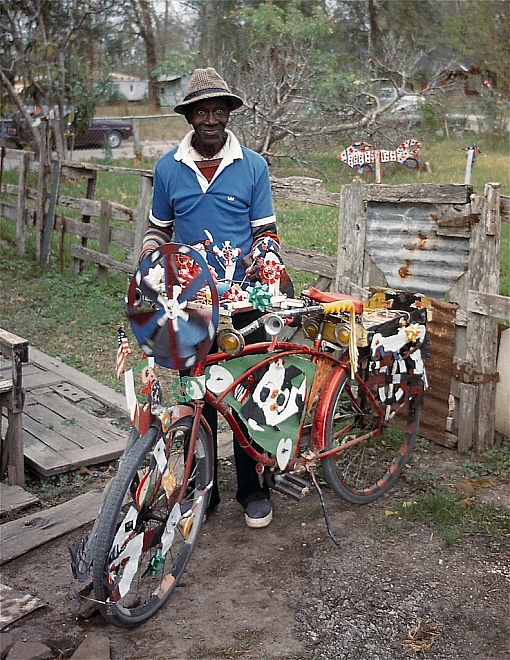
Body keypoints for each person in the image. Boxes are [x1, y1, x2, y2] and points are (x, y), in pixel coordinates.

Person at [139, 67, 292, 529]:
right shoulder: (168, 168)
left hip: (244, 299)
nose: (211, 119)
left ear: (228, 115)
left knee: (246, 393)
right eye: (201, 111)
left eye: (218, 111)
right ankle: (204, 488)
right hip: (190, 302)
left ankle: (251, 490)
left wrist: (266, 256)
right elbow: (157, 229)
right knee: (196, 392)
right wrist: (151, 258)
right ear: (189, 116)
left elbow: (265, 230)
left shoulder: (253, 165)